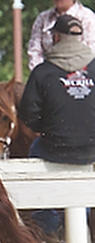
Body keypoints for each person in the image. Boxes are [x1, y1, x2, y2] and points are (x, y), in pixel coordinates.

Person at [20, 13, 95, 165]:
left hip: (54, 150)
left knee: (34, 147)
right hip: (92, 150)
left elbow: (28, 114)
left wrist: (49, 129)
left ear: (56, 38)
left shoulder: (42, 72)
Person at [27, 0, 95, 70]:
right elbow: (35, 50)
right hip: (48, 73)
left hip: (81, 74)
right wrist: (40, 73)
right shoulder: (43, 18)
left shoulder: (87, 17)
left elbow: (91, 50)